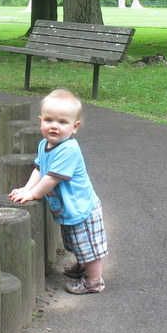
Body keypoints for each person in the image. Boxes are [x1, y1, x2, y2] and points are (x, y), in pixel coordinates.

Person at [8, 89, 108, 294]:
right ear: (40, 121)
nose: (54, 126)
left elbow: (51, 178)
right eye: (49, 120)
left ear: (75, 127)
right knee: (75, 242)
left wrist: (34, 194)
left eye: (62, 122)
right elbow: (39, 169)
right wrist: (27, 188)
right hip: (69, 208)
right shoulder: (44, 144)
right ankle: (83, 266)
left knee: (89, 246)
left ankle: (94, 280)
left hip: (82, 208)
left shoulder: (69, 149)